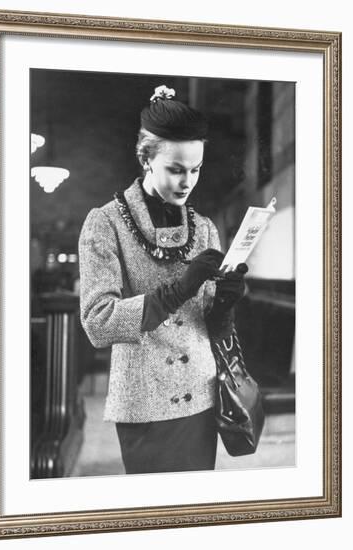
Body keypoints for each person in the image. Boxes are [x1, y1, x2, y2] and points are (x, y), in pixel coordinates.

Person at [78, 84, 247, 475]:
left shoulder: (203, 228)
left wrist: (227, 301)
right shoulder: (104, 224)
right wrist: (179, 288)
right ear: (146, 159)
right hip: (144, 403)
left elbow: (212, 327)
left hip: (201, 399)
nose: (187, 181)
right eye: (175, 169)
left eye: (196, 169)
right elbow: (98, 323)